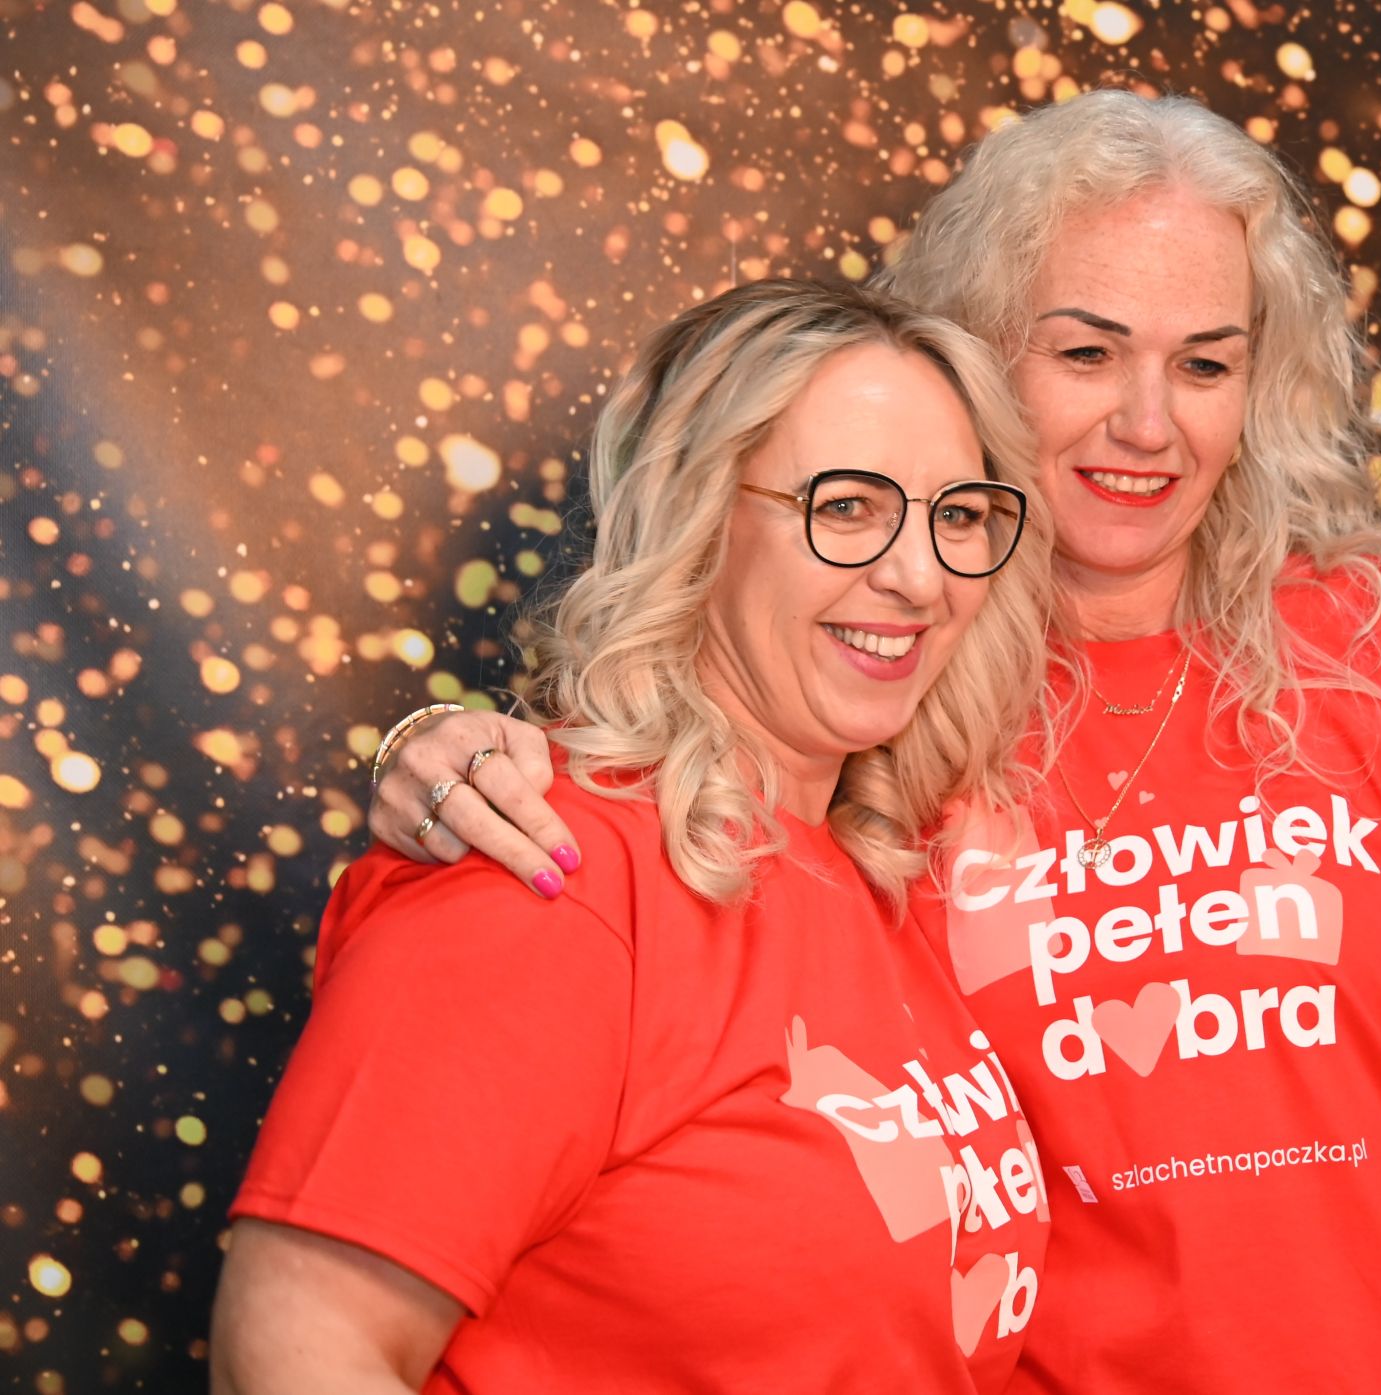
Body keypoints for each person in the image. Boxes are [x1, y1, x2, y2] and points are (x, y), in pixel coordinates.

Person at [366, 92, 1381, 1393]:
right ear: (982, 353)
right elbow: (660, 811)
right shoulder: (885, 677)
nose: (1148, 424)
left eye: (1205, 364)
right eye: (1087, 354)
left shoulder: (1380, 642)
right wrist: (442, 750)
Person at [211, 279, 1059, 1394]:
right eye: (847, 506)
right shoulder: (547, 876)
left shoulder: (873, 873)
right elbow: (291, 1352)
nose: (916, 577)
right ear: (695, 518)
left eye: (957, 516)